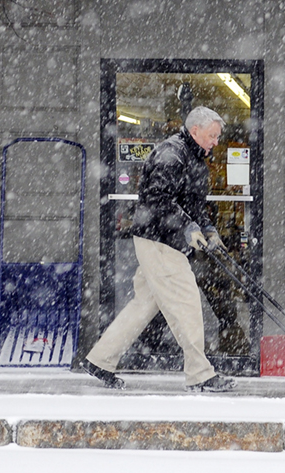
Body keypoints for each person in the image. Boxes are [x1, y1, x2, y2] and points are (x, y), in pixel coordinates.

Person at [81, 106, 237, 392]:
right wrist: (186, 227)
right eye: (213, 135)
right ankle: (200, 375)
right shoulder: (171, 155)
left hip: (164, 241)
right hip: (160, 242)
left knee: (143, 305)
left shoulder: (195, 158)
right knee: (187, 304)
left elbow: (193, 205)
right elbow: (156, 200)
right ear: (195, 131)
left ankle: (100, 360)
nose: (216, 141)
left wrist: (207, 228)